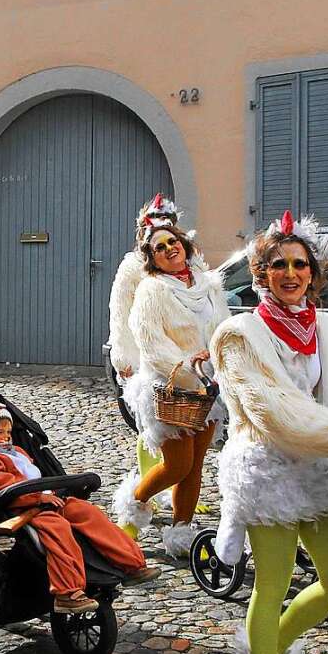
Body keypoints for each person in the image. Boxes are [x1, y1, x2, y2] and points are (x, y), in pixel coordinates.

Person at [210, 210, 328, 654]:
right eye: (277, 264)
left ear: (313, 272)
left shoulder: (327, 326)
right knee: (273, 582)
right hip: (268, 469)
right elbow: (272, 411)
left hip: (322, 469)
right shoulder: (239, 333)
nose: (290, 272)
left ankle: (274, 649)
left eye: (300, 264)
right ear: (260, 273)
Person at [0, 398, 160, 612]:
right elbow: (2, 486)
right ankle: (67, 592)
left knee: (88, 512)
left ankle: (132, 564)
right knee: (58, 530)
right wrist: (37, 498)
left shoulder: (17, 452)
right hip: (24, 508)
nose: (5, 438)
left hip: (48, 499)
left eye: (8, 433)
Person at [112, 220, 230, 558]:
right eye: (159, 248)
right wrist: (190, 371)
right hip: (170, 388)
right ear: (152, 259)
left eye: (172, 241)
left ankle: (181, 532)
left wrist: (216, 361)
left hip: (209, 389)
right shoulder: (152, 290)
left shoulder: (209, 285)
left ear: (185, 244)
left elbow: (222, 328)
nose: (168, 249)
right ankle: (132, 507)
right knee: (177, 465)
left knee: (195, 466)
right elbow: (151, 344)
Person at [108, 194, 210, 516]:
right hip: (153, 362)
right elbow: (121, 313)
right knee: (154, 432)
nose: (168, 245)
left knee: (191, 458)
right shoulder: (133, 268)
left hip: (199, 370)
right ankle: (145, 493)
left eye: (171, 231)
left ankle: (178, 509)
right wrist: (124, 358)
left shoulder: (195, 267)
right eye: (157, 233)